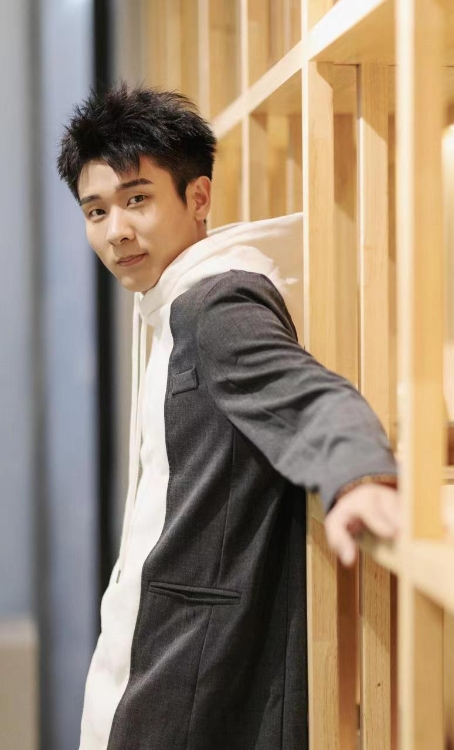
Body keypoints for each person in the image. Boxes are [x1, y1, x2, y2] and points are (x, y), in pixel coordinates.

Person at [57, 83, 399, 750]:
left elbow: (305, 392)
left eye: (137, 199)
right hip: (173, 656)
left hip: (187, 675)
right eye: (96, 210)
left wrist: (358, 473)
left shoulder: (215, 304)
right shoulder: (172, 299)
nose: (116, 230)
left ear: (199, 197)